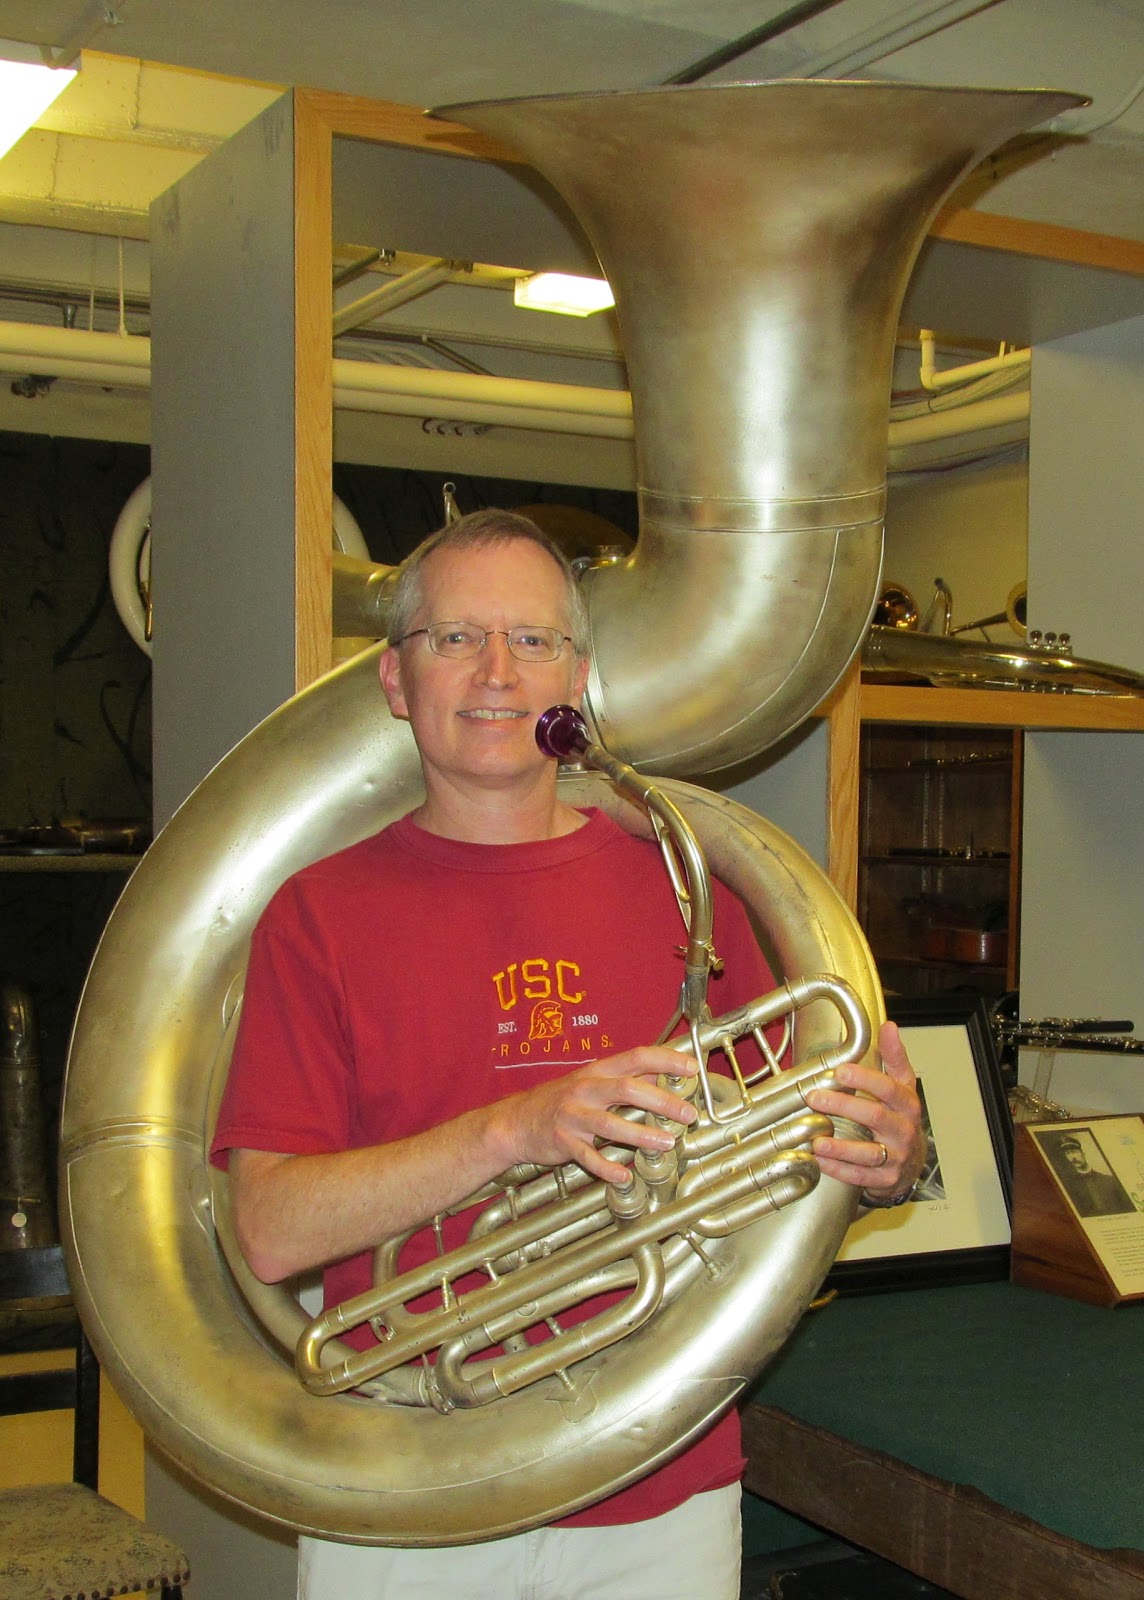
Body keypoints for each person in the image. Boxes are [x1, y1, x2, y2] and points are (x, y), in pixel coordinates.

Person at [211, 508, 925, 1600]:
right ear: (397, 681)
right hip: (409, 1482)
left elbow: (809, 1123)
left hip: (659, 1472)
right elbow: (267, 1229)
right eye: (452, 638)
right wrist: (515, 1129)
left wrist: (892, 1154)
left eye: (533, 640)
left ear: (576, 679)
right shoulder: (318, 914)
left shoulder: (691, 883)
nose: (496, 671)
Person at [1045, 1130, 1136, 1218]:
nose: (1073, 1157)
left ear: (1083, 1154)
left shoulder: (1110, 1180)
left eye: (1075, 1152)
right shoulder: (1068, 1186)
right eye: (1068, 1153)